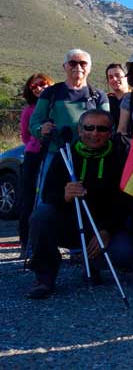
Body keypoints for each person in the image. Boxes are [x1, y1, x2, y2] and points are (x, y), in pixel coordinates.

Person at [25, 109, 133, 299]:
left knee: (125, 253)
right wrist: (64, 196)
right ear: (80, 131)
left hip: (105, 225)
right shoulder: (65, 154)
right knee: (41, 216)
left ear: (110, 132)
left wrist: (107, 230)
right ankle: (44, 277)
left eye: (102, 129)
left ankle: (92, 264)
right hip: (71, 223)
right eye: (89, 128)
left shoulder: (121, 156)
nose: (95, 133)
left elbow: (128, 201)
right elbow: (48, 195)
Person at [29, 49, 110, 205]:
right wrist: (41, 129)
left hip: (90, 158)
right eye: (73, 63)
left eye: (83, 63)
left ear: (90, 67)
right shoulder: (51, 93)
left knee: (91, 199)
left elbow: (106, 126)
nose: (78, 67)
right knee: (47, 200)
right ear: (64, 66)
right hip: (56, 155)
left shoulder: (99, 96)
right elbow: (35, 122)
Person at [17, 73, 54, 259]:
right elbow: (25, 136)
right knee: (29, 199)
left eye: (42, 84)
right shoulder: (28, 111)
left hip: (54, 153)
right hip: (34, 155)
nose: (38, 88)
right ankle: (26, 243)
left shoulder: (55, 106)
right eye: (34, 87)